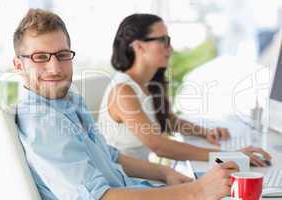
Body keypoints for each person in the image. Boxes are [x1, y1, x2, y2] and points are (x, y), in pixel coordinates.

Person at [14, 9, 239, 200]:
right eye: (40, 57)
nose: (55, 68)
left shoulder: (68, 100)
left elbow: (111, 156)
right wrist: (197, 190)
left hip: (133, 185)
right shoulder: (42, 121)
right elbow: (99, 196)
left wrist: (166, 173)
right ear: (18, 66)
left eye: (62, 55)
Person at [98, 13, 271, 166]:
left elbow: (168, 121)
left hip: (142, 175)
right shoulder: (124, 91)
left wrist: (205, 132)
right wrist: (229, 156)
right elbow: (158, 145)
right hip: (124, 180)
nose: (171, 49)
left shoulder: (149, 84)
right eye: (163, 41)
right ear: (139, 46)